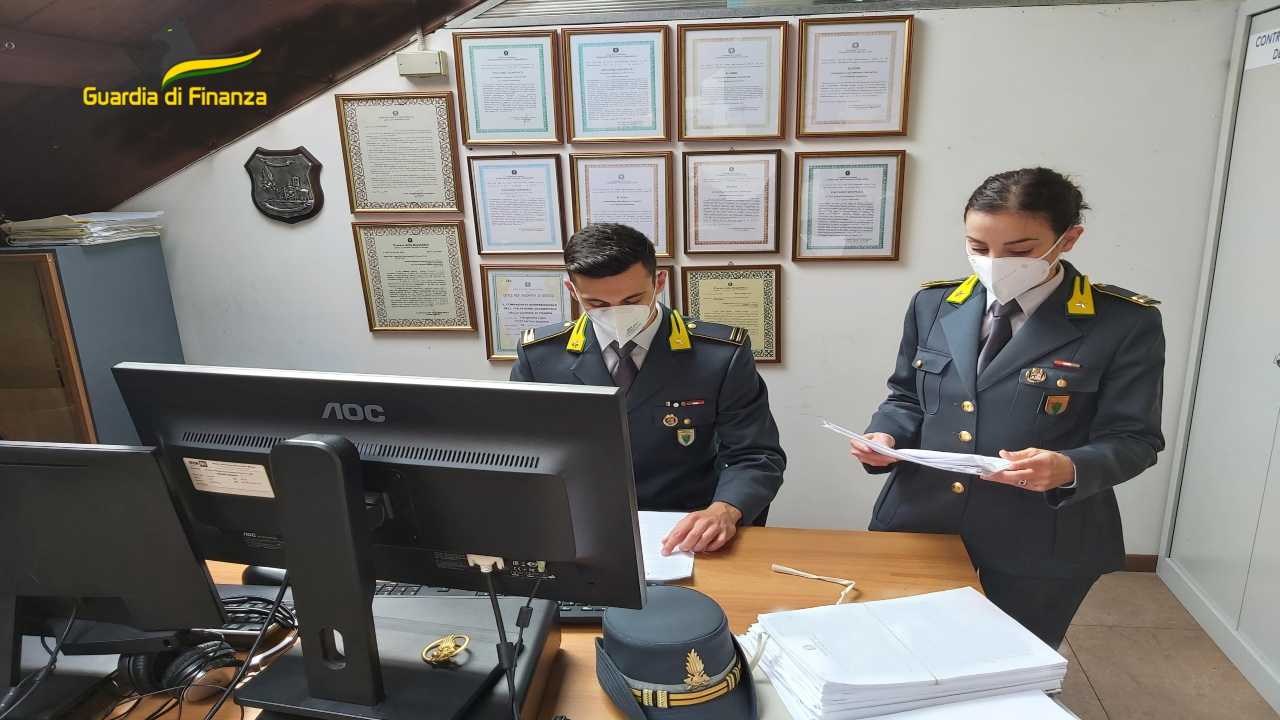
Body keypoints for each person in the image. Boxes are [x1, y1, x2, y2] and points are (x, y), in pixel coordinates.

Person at [850, 168, 1165, 647]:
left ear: (1068, 239)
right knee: (905, 649)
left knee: (1010, 663)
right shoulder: (935, 304)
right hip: (922, 519)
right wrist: (885, 435)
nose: (995, 263)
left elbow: (1134, 438)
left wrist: (1068, 467)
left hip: (1043, 537)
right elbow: (907, 396)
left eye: (1019, 250)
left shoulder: (1121, 322)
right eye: (978, 247)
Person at [512, 223, 785, 555]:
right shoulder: (541, 358)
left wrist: (725, 510)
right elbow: (520, 453)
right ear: (572, 290)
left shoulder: (719, 356)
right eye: (596, 303)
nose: (616, 314)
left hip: (687, 527)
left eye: (632, 300)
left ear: (659, 282)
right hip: (581, 527)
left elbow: (755, 454)